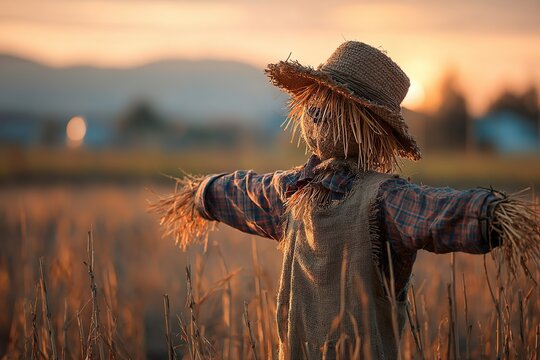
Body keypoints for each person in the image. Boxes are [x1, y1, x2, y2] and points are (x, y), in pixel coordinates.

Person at [151, 41, 539, 359]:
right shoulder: (291, 192)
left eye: (331, 103)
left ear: (368, 125)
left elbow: (438, 212)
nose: (316, 112)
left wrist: (497, 215)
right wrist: (201, 194)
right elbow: (244, 192)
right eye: (313, 102)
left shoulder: (384, 202)